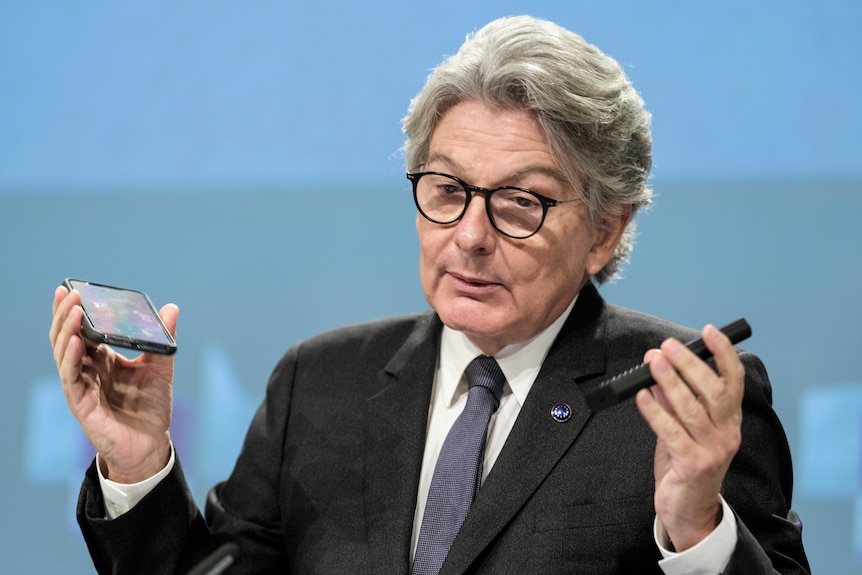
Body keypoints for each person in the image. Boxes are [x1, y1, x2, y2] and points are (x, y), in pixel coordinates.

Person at [49, 15, 809, 574]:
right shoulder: (318, 383)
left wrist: (698, 530)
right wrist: (140, 462)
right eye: (446, 189)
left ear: (604, 231)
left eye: (521, 203)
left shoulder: (681, 401)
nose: (471, 236)